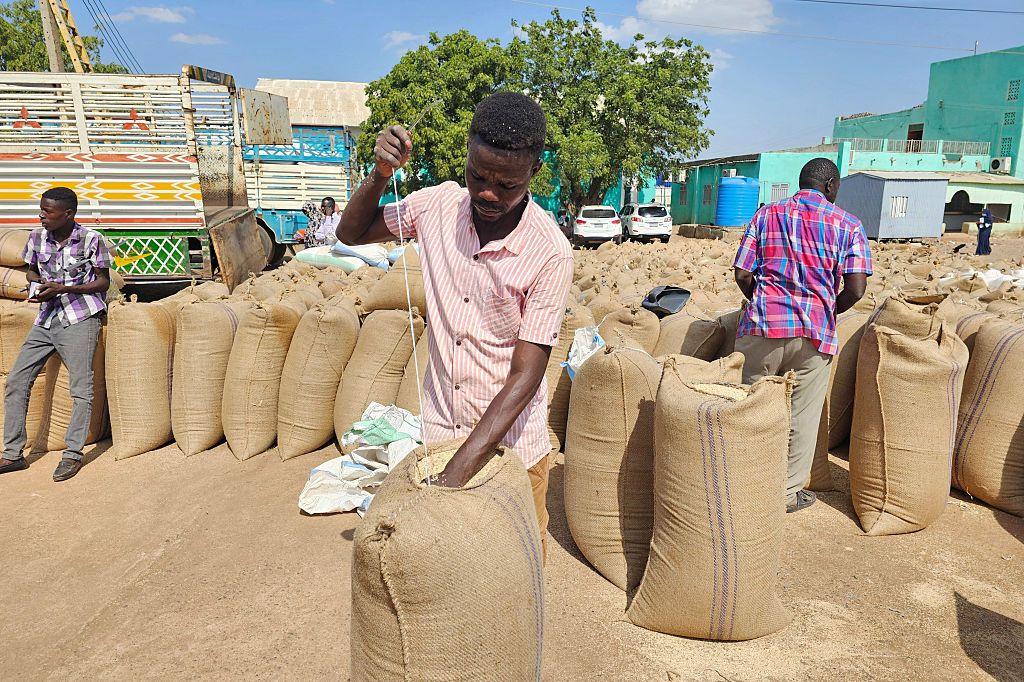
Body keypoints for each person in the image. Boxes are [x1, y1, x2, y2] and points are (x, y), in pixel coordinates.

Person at [337, 92, 573, 554]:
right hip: (442, 436)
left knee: (517, 576)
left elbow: (526, 376)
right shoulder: (436, 207)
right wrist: (381, 174)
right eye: (477, 175)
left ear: (534, 173)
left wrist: (454, 477)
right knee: (449, 575)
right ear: (466, 153)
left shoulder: (550, 253)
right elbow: (351, 232)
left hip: (514, 454)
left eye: (506, 185)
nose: (487, 192)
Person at [732, 158, 871, 513]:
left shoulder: (765, 215)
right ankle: (785, 495)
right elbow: (856, 288)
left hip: (762, 329)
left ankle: (739, 482)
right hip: (814, 337)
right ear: (830, 186)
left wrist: (764, 304)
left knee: (748, 408)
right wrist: (826, 311)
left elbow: (743, 274)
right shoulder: (849, 225)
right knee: (801, 418)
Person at [0, 187, 113, 481]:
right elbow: (30, 271)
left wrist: (64, 288)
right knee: (16, 380)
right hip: (46, 318)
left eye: (47, 212)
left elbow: (102, 283)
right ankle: (12, 454)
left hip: (80, 318)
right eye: (41, 209)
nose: (41, 215)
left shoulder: (91, 240)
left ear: (68, 214)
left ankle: (72, 454)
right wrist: (38, 286)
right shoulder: (37, 238)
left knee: (81, 389)